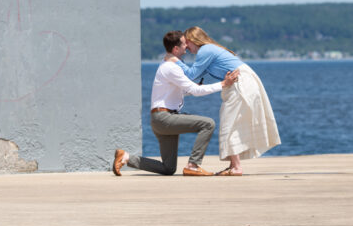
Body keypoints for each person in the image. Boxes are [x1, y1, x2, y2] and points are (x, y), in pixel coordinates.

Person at [113, 30, 238, 177]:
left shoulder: (165, 65)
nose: (187, 47)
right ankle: (193, 165)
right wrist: (223, 84)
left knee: (168, 168)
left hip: (160, 119)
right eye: (184, 44)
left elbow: (184, 91)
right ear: (176, 49)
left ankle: (126, 157)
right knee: (208, 124)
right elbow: (195, 90)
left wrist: (194, 88)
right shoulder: (171, 68)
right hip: (165, 118)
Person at [178, 26, 280, 176]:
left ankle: (236, 167)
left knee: (228, 124)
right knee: (231, 123)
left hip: (240, 83)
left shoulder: (205, 50)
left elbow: (191, 74)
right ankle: (234, 166)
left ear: (194, 40)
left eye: (187, 43)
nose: (186, 47)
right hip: (243, 81)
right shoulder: (210, 50)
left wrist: (174, 59)